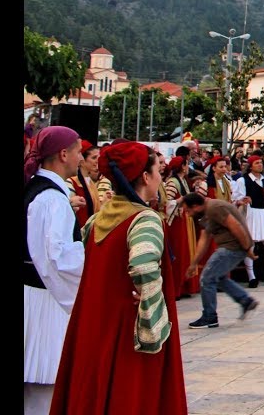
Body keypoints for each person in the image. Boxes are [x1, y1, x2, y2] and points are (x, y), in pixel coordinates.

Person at [50, 141, 187, 415]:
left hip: (94, 322)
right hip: (128, 330)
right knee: (130, 394)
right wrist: (152, 313)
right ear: (146, 177)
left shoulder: (97, 219)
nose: (161, 176)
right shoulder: (144, 219)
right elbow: (143, 266)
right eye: (157, 171)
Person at [24, 126, 85, 415]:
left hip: (36, 296)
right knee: (43, 393)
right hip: (43, 301)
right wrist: (94, 257)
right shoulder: (52, 199)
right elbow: (57, 257)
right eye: (78, 151)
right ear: (63, 154)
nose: (82, 158)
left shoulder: (40, 189)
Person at [181, 192, 260, 328]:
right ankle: (245, 300)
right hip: (232, 247)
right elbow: (204, 238)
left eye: (188, 210)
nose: (188, 214)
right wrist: (194, 263)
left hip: (232, 247)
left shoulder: (214, 208)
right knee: (218, 277)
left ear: (195, 206)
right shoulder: (208, 212)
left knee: (207, 279)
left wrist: (247, 249)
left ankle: (209, 317)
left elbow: (235, 226)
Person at [231, 155, 264, 287]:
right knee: (250, 245)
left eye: (261, 163)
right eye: (257, 163)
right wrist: (243, 200)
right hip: (251, 213)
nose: (260, 165)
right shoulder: (243, 180)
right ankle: (251, 277)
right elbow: (237, 196)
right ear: (251, 165)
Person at [162, 156, 200, 299]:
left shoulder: (182, 180)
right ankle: (176, 288)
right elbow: (167, 203)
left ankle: (183, 286)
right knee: (179, 253)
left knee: (185, 253)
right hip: (176, 221)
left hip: (183, 220)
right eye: (186, 164)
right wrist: (182, 200)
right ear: (183, 166)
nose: (188, 167)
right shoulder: (172, 182)